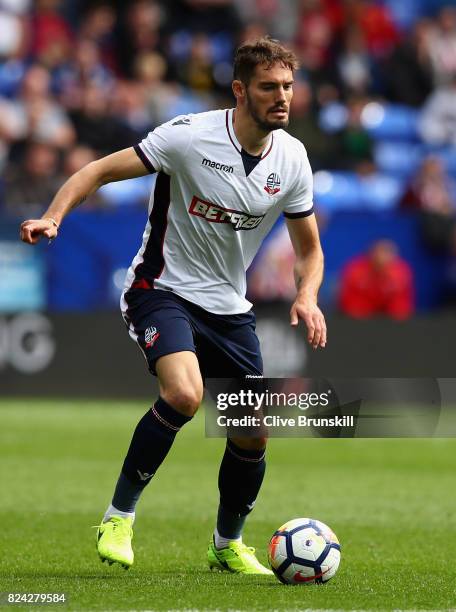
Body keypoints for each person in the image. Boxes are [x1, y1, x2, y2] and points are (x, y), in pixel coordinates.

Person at [20, 37, 326, 574]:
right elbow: (97, 171)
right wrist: (54, 216)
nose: (282, 97)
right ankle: (118, 517)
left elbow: (310, 250)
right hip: (160, 289)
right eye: (268, 87)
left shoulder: (293, 158)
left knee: (252, 431)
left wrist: (306, 294)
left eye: (288, 86)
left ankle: (226, 544)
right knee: (184, 394)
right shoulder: (189, 136)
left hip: (230, 309)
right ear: (239, 90)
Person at [338, 239, 414, 320]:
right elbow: (352, 306)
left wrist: (388, 284)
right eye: (379, 252)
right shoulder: (355, 270)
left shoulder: (401, 272)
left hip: (391, 323)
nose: (381, 257)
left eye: (387, 252)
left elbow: (401, 309)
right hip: (360, 321)